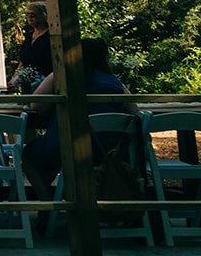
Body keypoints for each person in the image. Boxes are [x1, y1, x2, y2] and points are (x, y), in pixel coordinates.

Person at [23, 38, 133, 197]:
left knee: (29, 156)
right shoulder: (115, 83)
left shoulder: (61, 76)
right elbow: (135, 114)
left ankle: (48, 200)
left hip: (67, 147)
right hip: (110, 150)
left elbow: (36, 106)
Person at [9, 1, 53, 91]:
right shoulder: (29, 36)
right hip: (27, 84)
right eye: (27, 15)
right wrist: (15, 78)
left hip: (44, 84)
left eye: (33, 15)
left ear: (44, 15)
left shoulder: (50, 36)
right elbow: (23, 61)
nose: (29, 18)